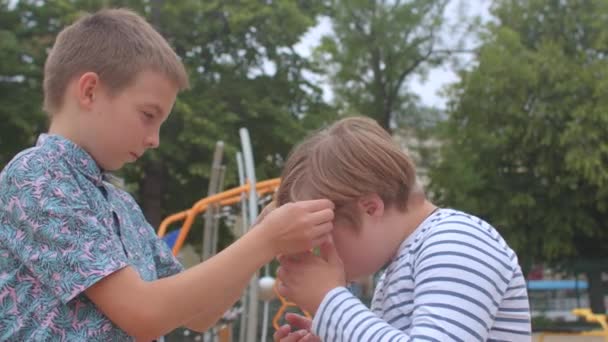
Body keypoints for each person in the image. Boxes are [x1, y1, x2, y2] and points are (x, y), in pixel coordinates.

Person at [0, 8, 334, 341]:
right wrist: (266, 239)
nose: (154, 139)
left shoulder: (121, 205)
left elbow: (201, 314)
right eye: (148, 115)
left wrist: (260, 236)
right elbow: (144, 314)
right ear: (89, 91)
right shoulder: (36, 175)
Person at [273, 116, 531, 341]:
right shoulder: (400, 267)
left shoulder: (457, 239)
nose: (315, 250)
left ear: (371, 208)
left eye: (320, 234)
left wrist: (328, 300)